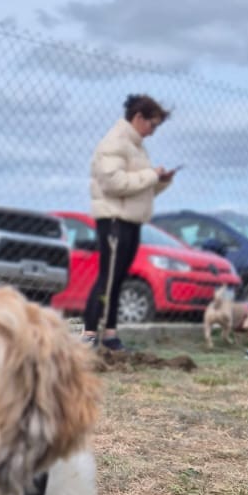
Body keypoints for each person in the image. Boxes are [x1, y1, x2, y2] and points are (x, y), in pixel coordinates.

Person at [82, 93, 175, 350]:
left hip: (130, 221)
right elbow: (113, 183)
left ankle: (110, 335)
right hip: (114, 220)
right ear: (138, 118)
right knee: (107, 279)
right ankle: (89, 337)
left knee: (118, 279)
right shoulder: (115, 142)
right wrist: (150, 174)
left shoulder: (136, 147)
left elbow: (139, 189)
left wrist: (160, 180)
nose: (153, 132)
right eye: (152, 125)